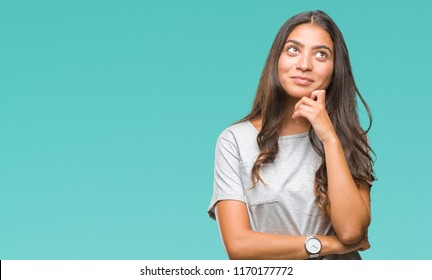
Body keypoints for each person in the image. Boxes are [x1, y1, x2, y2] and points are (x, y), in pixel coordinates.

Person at [207, 10, 376, 260]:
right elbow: (238, 246)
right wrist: (327, 245)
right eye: (293, 49)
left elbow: (351, 233)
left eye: (321, 54)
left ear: (335, 69)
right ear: (277, 59)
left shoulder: (349, 138)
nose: (305, 64)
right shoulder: (235, 141)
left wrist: (330, 138)